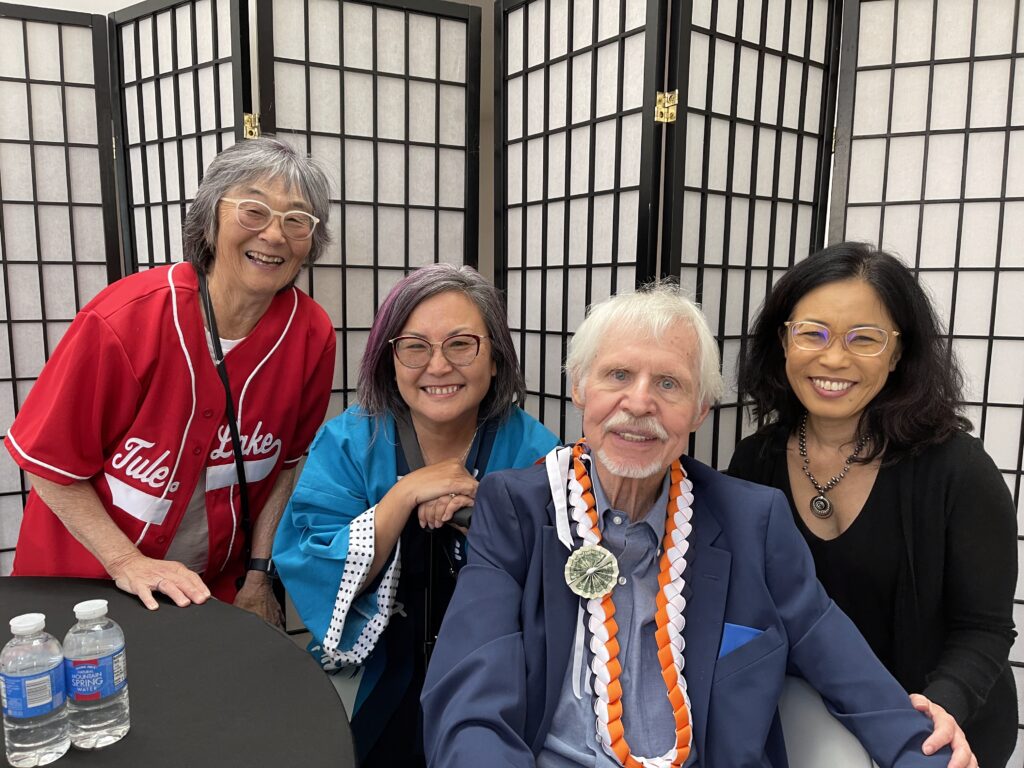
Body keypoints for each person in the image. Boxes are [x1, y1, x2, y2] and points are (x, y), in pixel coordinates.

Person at [422, 284, 969, 768]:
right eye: (617, 375)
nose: (639, 403)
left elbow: (842, 662)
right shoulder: (517, 510)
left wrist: (924, 748)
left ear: (700, 410)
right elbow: (470, 702)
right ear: (579, 389)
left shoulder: (753, 522)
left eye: (669, 383)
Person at [5, 137, 336, 627]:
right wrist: (126, 563)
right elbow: (49, 468)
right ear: (209, 219)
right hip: (80, 588)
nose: (274, 235)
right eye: (253, 210)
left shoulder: (312, 335)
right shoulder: (125, 318)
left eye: (297, 220)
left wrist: (258, 578)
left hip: (205, 593)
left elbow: (287, 466)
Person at [727, 242, 1017, 767]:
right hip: (815, 715)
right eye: (811, 333)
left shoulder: (957, 470)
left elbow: (986, 628)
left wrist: (943, 705)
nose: (833, 358)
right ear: (783, 341)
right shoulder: (755, 460)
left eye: (864, 338)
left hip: (935, 723)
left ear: (898, 353)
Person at [273, 263, 559, 766]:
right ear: (390, 361)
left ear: (495, 358)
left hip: (500, 678)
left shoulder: (535, 450)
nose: (439, 365)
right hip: (373, 674)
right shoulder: (348, 442)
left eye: (461, 344)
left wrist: (483, 510)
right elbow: (310, 559)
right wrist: (402, 498)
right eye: (415, 346)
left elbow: (558, 578)